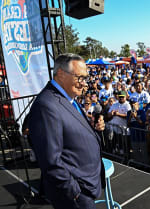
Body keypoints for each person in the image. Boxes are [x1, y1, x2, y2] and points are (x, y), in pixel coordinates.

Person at [29, 53, 105, 209]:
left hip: (87, 184)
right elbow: (51, 161)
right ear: (61, 74)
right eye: (80, 77)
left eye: (85, 78)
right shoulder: (46, 106)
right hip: (75, 196)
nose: (84, 84)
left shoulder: (68, 98)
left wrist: (92, 128)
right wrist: (75, 193)